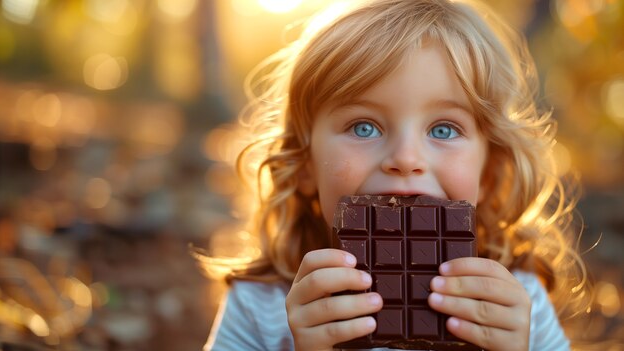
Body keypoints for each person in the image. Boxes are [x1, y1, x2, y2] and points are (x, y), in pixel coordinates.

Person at [203, 0, 591, 350]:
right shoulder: (259, 304)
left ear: (489, 175)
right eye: (363, 127)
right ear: (304, 165)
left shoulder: (516, 304)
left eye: (443, 129)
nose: (406, 159)